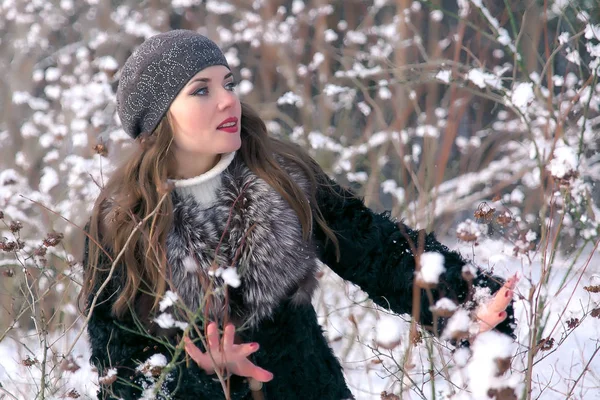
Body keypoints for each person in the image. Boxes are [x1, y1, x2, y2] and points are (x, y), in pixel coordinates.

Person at [82, 30, 517, 400]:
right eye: (201, 90)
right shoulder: (121, 224)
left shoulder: (282, 175)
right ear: (157, 120)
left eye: (228, 84)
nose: (227, 101)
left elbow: (376, 248)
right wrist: (200, 376)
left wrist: (463, 301)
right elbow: (117, 374)